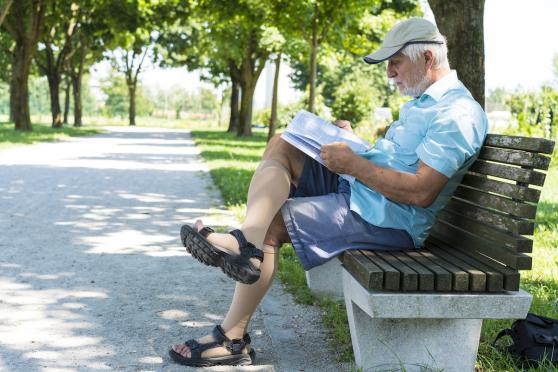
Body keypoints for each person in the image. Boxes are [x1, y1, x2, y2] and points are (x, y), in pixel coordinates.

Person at [169, 17, 488, 366]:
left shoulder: (457, 113)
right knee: (284, 144)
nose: (389, 73)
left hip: (389, 219)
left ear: (427, 58)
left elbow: (421, 193)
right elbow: (401, 163)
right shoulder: (424, 103)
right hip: (366, 193)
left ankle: (232, 338)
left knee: (275, 225)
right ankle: (246, 243)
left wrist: (354, 163)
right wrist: (353, 145)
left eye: (395, 63)